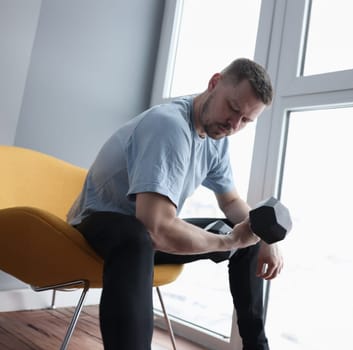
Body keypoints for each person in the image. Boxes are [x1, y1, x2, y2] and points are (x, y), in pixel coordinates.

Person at [67, 58, 281, 350]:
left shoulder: (217, 139)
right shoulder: (169, 126)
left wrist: (262, 234)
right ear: (214, 83)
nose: (234, 125)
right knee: (138, 236)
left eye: (245, 121)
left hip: (145, 235)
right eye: (232, 108)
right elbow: (154, 227)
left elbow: (231, 201)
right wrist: (228, 241)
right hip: (97, 226)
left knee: (249, 234)